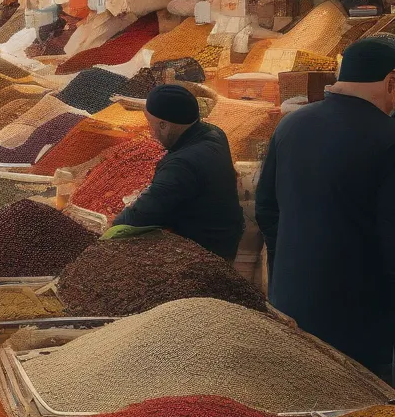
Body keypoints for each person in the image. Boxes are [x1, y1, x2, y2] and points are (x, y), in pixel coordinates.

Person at [256, 39, 395, 378]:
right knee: (363, 416)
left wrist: (289, 269)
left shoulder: (291, 125)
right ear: (391, 81)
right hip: (360, 319)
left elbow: (266, 209)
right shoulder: (388, 138)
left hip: (292, 304)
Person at [113, 84, 244, 260]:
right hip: (225, 234)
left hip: (203, 254)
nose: (151, 134)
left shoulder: (182, 165)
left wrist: (112, 227)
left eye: (150, 125)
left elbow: (140, 216)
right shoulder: (214, 133)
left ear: (164, 125)